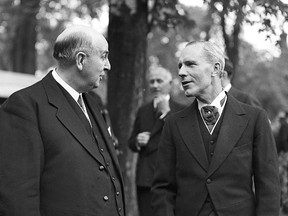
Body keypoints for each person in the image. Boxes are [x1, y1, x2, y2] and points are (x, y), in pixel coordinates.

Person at [0, 26, 125, 216]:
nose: (108, 65)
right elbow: (18, 196)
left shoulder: (93, 103)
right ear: (80, 60)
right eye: (103, 56)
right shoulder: (25, 106)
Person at [151, 41, 280, 216]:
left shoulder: (255, 119)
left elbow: (268, 187)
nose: (181, 72)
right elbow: (163, 189)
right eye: (180, 66)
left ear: (215, 68)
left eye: (190, 64)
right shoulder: (173, 124)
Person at [129, 66, 185, 216]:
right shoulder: (143, 110)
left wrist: (167, 113)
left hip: (172, 179)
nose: (155, 85)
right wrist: (137, 140)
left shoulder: (181, 110)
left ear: (170, 84)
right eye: (152, 81)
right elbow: (131, 142)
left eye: (159, 81)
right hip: (146, 178)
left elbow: (183, 139)